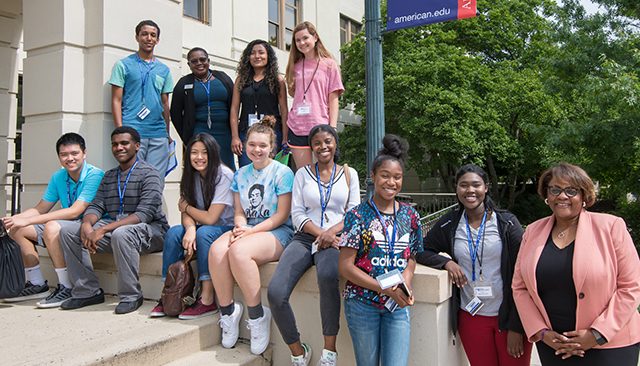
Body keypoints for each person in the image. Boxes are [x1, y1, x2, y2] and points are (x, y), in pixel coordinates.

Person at [512, 163, 640, 365]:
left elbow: (631, 286)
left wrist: (597, 334)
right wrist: (542, 332)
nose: (562, 196)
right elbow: (519, 288)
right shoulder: (532, 232)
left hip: (609, 345)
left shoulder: (611, 227)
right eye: (555, 189)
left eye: (571, 190)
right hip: (554, 346)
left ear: (584, 196)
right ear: (547, 194)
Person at [416, 164, 532, 366]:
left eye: (476, 185)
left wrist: (517, 326)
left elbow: (524, 273)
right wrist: (446, 263)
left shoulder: (506, 223)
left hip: (508, 318)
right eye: (464, 185)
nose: (470, 190)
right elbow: (421, 250)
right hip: (472, 316)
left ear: (485, 187)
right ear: (457, 189)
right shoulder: (450, 223)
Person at [268, 125, 360, 366]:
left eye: (327, 141)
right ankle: (298, 351)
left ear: (336, 144)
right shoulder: (302, 175)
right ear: (311, 148)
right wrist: (321, 233)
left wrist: (331, 233)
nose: (323, 147)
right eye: (317, 143)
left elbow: (354, 213)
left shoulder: (350, 174)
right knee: (276, 292)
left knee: (329, 277)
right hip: (305, 237)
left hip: (336, 240)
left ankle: (329, 352)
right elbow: (296, 213)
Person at [58, 126, 168, 314]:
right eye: (115, 144)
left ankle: (131, 296)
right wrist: (86, 224)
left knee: (121, 233)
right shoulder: (109, 176)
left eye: (124, 143)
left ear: (137, 146)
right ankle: (87, 291)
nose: (119, 147)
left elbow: (144, 215)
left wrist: (101, 230)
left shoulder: (150, 173)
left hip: (152, 232)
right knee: (68, 231)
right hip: (118, 232)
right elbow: (97, 206)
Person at [208, 115, 294, 355]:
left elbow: (281, 215)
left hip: (277, 231)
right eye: (252, 145)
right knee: (216, 251)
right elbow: (238, 211)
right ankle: (228, 313)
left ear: (272, 148)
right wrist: (239, 227)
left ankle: (257, 316)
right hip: (248, 228)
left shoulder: (283, 172)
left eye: (263, 145)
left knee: (239, 252)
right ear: (245, 145)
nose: (257, 150)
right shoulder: (240, 174)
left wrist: (249, 232)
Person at [338, 135, 422, 366]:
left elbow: (412, 255)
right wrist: (384, 288)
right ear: (373, 177)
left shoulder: (410, 215)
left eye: (397, 177)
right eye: (385, 176)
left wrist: (406, 279)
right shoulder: (356, 215)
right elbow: (345, 266)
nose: (391, 182)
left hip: (397, 305)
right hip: (362, 304)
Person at [1, 133, 104, 308]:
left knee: (51, 226)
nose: (69, 158)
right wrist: (12, 220)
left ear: (84, 153)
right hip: (67, 224)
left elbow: (75, 212)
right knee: (17, 229)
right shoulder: (58, 177)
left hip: (89, 225)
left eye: (74, 153)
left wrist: (27, 221)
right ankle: (36, 284)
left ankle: (66, 286)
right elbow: (41, 208)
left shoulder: (95, 175)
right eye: (64, 155)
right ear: (59, 157)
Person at [150, 133, 234, 319]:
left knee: (204, 232)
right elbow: (184, 213)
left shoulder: (224, 175)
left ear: (213, 154)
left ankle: (207, 299)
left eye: (204, 152)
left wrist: (187, 209)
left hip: (226, 229)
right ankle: (169, 295)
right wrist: (189, 229)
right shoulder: (190, 176)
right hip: (202, 227)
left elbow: (211, 218)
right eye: (194, 152)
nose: (199, 157)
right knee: (173, 233)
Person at [109, 20, 174, 176]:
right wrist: (120, 131)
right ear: (137, 37)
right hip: (132, 132)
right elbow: (116, 100)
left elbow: (165, 104)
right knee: (133, 178)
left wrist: (167, 133)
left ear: (157, 40)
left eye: (153, 35)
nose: (149, 38)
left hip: (158, 135)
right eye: (144, 34)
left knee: (156, 180)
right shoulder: (123, 65)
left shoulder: (164, 70)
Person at [285, 21, 344, 169]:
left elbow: (333, 98)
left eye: (305, 38)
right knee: (304, 175)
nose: (302, 43)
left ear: (315, 37)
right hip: (297, 126)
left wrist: (333, 127)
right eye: (297, 40)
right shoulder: (295, 66)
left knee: (324, 174)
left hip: (321, 126)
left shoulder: (330, 65)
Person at [171, 47, 236, 170]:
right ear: (188, 64)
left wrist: (235, 134)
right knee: (202, 170)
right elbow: (175, 113)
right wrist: (187, 137)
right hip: (199, 132)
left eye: (202, 59)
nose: (199, 63)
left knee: (227, 169)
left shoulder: (223, 78)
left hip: (225, 133)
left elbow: (235, 105)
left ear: (208, 61)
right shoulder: (184, 83)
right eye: (194, 61)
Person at [230, 39, 288, 167]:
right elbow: (234, 109)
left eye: (261, 52)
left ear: (268, 56)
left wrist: (285, 137)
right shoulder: (241, 80)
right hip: (246, 132)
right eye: (253, 53)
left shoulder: (278, 80)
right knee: (247, 170)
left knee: (270, 171)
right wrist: (235, 137)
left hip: (272, 132)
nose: (257, 56)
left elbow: (284, 110)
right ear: (248, 57)